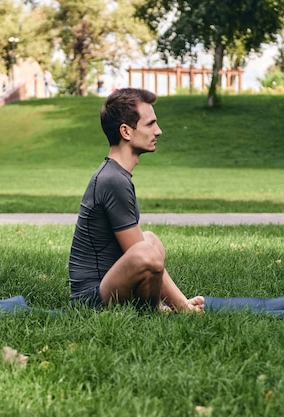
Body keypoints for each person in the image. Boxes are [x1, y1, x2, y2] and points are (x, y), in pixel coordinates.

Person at [68, 88, 205, 312]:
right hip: (90, 300)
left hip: (108, 285)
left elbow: (137, 246)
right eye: (150, 124)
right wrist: (182, 305)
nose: (158, 131)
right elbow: (141, 254)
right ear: (126, 131)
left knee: (150, 240)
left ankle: (156, 310)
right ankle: (162, 311)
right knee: (147, 251)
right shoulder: (113, 180)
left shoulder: (116, 175)